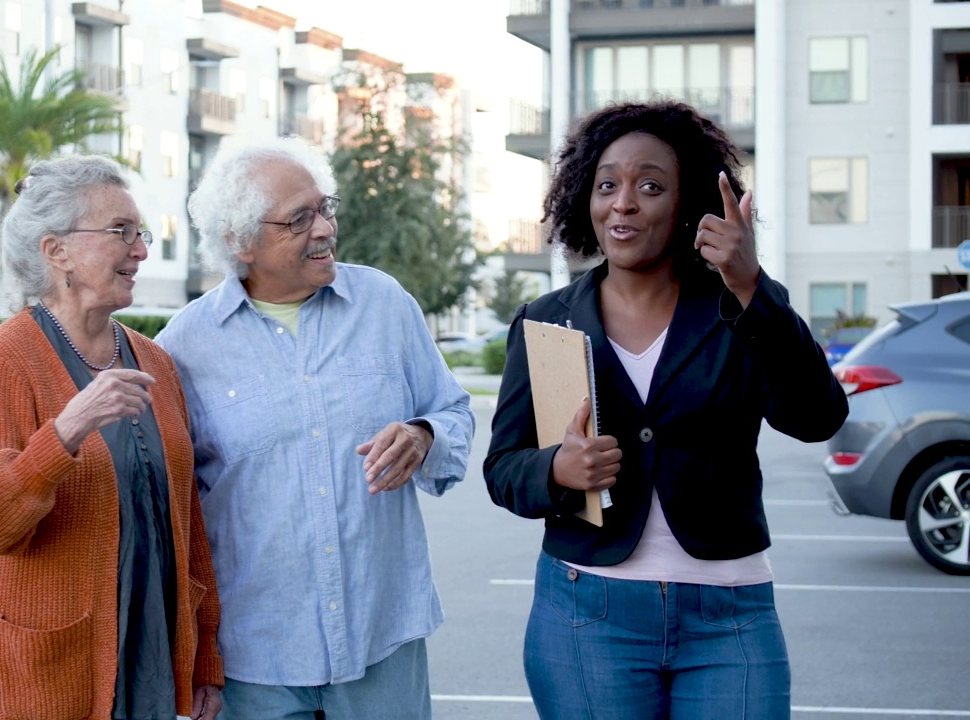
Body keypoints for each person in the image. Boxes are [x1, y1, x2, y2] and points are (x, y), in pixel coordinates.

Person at [483, 101, 848, 719]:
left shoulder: (743, 303)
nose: (623, 202)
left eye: (649, 186)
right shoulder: (547, 321)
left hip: (728, 614)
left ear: (686, 206)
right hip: (586, 613)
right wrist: (557, 472)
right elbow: (503, 469)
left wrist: (749, 284)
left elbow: (816, 418)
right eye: (607, 185)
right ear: (585, 201)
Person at [155, 137, 474, 720]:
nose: (324, 228)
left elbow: (453, 410)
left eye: (325, 207)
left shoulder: (385, 304)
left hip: (383, 638)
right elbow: (176, 511)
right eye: (298, 219)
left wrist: (425, 436)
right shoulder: (184, 346)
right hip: (254, 658)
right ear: (239, 241)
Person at [0, 154, 224, 720]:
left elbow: (189, 521)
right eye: (121, 232)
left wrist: (205, 661)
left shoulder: (154, 361)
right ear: (57, 251)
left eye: (140, 233)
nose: (141, 250)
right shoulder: (4, 359)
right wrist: (67, 431)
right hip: (41, 673)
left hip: (144, 663)